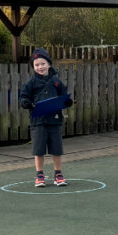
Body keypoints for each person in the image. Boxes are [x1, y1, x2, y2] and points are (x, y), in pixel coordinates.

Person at [19, 48, 72, 187]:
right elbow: (24, 97)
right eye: (36, 65)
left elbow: (64, 94)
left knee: (56, 148)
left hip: (54, 120)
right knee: (39, 149)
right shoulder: (31, 83)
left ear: (49, 64)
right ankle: (40, 175)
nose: (40, 67)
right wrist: (25, 103)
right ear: (33, 67)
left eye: (42, 63)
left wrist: (67, 101)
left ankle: (58, 174)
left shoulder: (56, 81)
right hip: (38, 122)